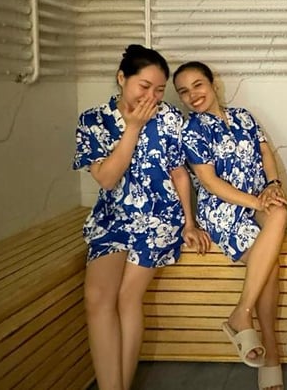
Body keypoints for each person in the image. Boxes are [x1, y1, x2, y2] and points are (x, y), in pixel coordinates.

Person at [73, 44, 211, 390]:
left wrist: (189, 223)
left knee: (126, 297)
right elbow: (106, 178)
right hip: (112, 217)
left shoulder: (168, 119)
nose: (151, 96)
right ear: (122, 78)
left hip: (158, 216)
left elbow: (179, 173)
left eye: (159, 89)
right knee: (97, 297)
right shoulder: (94, 120)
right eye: (143, 86)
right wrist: (132, 127)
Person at [173, 61, 287, 390]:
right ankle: (272, 354)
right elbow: (209, 182)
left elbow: (265, 153)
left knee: (279, 212)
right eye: (184, 91)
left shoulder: (244, 117)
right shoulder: (192, 130)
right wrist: (256, 202)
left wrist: (273, 184)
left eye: (198, 85)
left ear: (213, 84)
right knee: (268, 265)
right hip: (222, 209)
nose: (192, 95)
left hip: (257, 199)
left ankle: (241, 313)